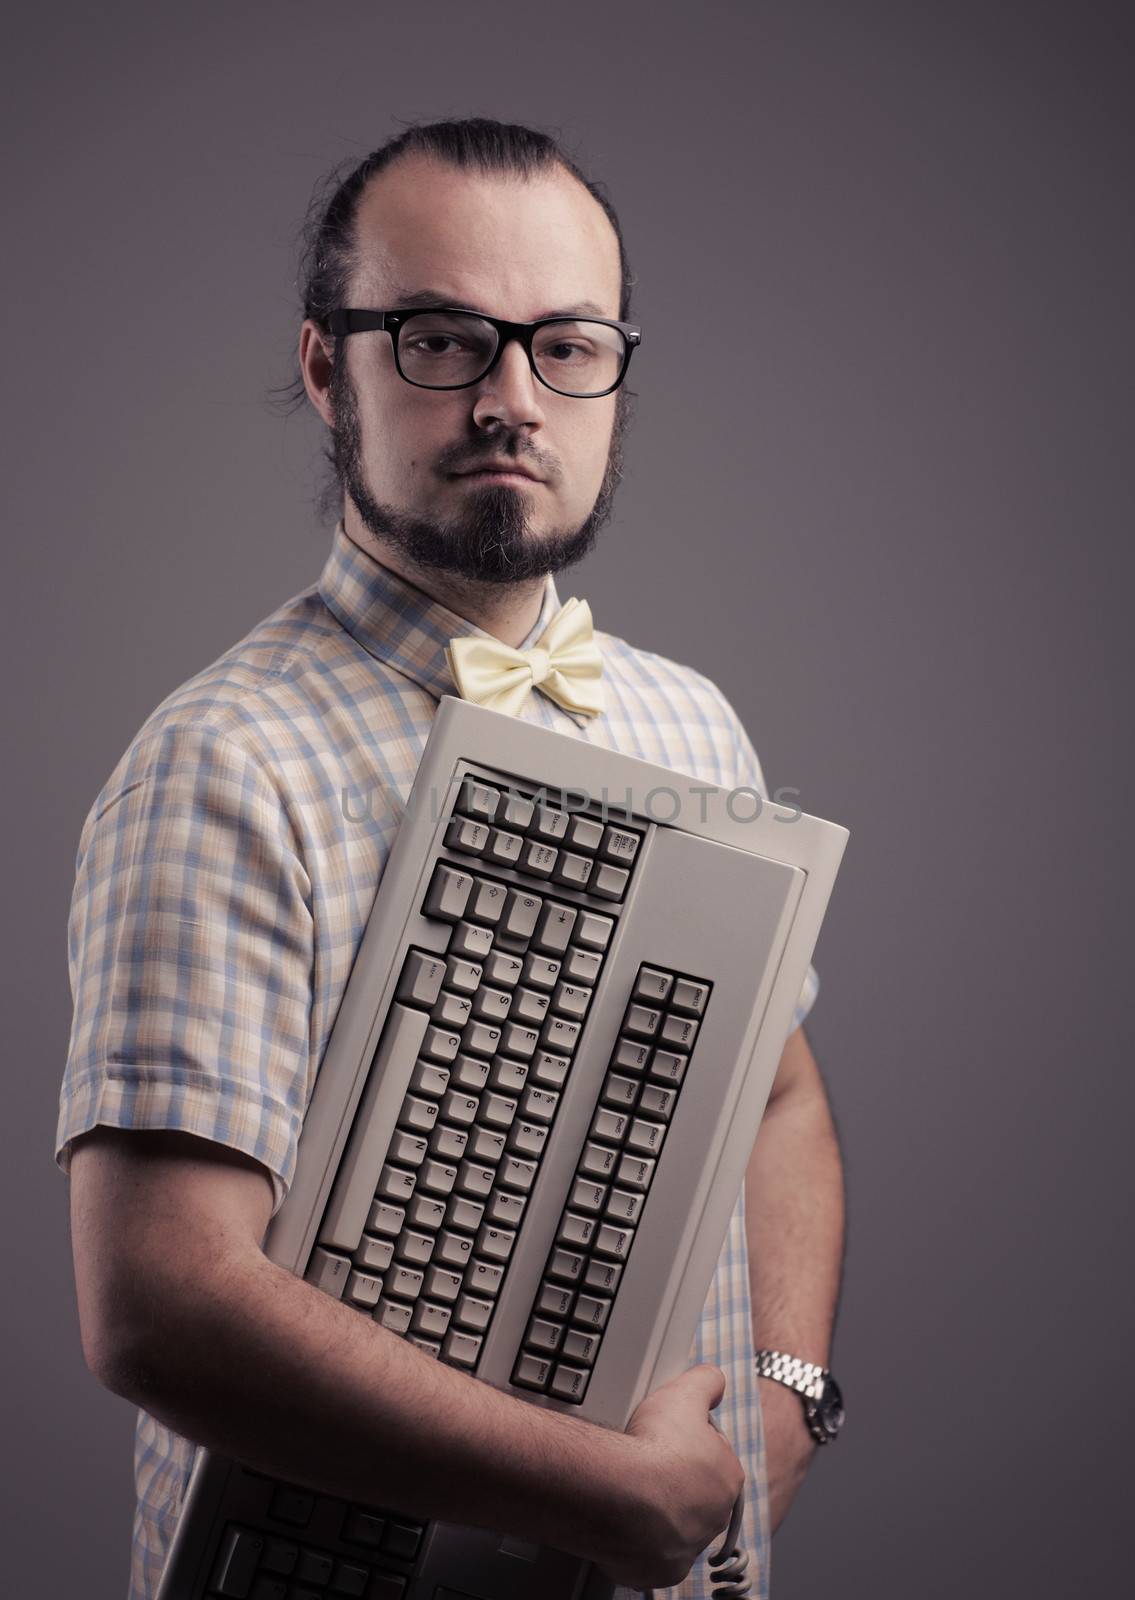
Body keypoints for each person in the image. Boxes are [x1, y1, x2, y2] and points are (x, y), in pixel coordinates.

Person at [58, 118, 845, 1599]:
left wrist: (787, 1396)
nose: (511, 398)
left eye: (567, 344)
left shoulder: (692, 720)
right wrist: (610, 1491)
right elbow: (160, 1306)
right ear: (324, 368)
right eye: (441, 338)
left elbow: (781, 1089)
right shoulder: (221, 761)